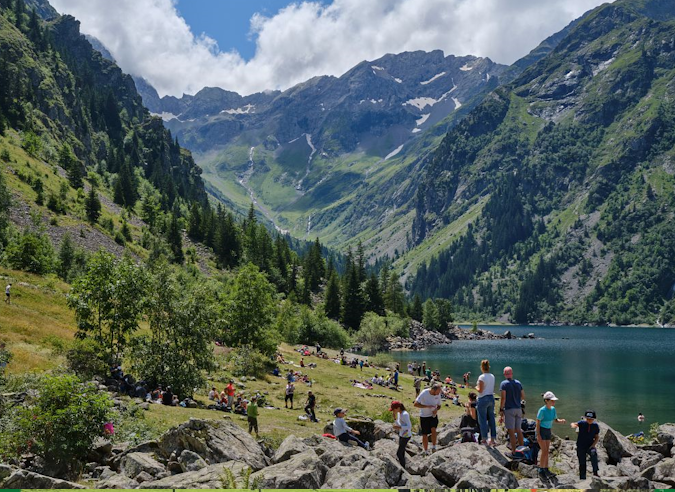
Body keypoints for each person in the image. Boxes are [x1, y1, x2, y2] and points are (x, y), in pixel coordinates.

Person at [536, 391, 566, 481]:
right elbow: (538, 422)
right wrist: (538, 435)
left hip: (548, 431)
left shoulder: (553, 409)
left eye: (554, 400)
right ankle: (541, 471)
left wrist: (560, 421)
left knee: (547, 451)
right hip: (541, 431)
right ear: (546, 400)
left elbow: (555, 420)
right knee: (544, 451)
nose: (554, 402)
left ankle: (546, 469)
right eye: (552, 400)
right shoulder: (542, 410)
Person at [499, 366, 525, 453]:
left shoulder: (504, 384)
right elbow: (523, 396)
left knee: (511, 431)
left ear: (504, 374)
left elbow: (503, 398)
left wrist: (501, 409)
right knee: (518, 429)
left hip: (509, 409)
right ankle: (522, 449)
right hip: (518, 409)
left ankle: (514, 451)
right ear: (512, 374)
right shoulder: (518, 383)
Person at [571, 410, 600, 480]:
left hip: (590, 445)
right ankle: (582, 477)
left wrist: (593, 445)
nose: (589, 420)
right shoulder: (582, 423)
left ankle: (595, 472)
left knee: (594, 455)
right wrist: (574, 425)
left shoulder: (595, 426)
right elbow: (574, 424)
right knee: (582, 461)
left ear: (594, 419)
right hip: (581, 445)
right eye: (588, 419)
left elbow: (597, 437)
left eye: (591, 419)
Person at [414, 382, 442, 454]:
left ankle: (434, 447)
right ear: (433, 390)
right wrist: (427, 406)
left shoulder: (438, 394)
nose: (439, 393)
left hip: (433, 415)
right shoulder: (424, 393)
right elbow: (415, 404)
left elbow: (439, 405)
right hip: (424, 416)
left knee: (433, 430)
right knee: (425, 434)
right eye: (438, 392)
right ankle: (425, 450)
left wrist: (436, 409)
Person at [475, 359, 497, 446]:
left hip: (483, 398)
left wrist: (476, 387)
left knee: (483, 419)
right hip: (491, 397)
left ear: (482, 367)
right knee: (491, 418)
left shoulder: (481, 377)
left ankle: (484, 439)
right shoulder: (492, 376)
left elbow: (480, 390)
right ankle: (493, 439)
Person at [390, 401, 412, 466]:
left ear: (398, 408)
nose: (393, 411)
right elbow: (400, 424)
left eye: (394, 409)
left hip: (406, 436)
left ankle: (402, 468)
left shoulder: (405, 414)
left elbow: (409, 426)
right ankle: (403, 466)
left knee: (399, 453)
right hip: (402, 435)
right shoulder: (399, 413)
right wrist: (395, 419)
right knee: (402, 453)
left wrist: (399, 427)